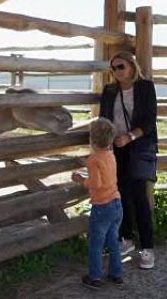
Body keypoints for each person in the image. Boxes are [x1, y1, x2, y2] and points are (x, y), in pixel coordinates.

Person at [99, 50, 158, 270]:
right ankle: (126, 239)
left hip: (139, 146)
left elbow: (150, 120)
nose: (116, 72)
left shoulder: (145, 87)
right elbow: (104, 119)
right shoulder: (109, 90)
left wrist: (130, 136)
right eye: (113, 68)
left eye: (120, 67)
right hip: (116, 148)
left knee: (140, 198)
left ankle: (148, 249)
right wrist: (104, 143)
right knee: (120, 195)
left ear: (132, 66)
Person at [71, 117, 123, 289]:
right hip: (116, 204)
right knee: (113, 240)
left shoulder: (93, 159)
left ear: (92, 140)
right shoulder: (110, 154)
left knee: (96, 243)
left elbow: (95, 184)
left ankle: (94, 277)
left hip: (102, 207)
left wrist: (80, 180)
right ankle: (116, 274)